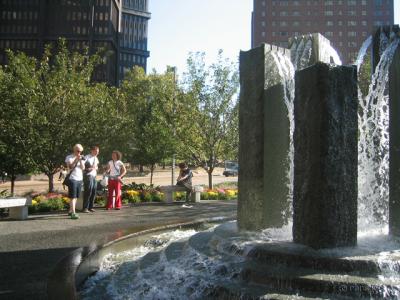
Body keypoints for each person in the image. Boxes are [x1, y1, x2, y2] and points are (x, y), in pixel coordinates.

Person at [65, 144, 85, 219]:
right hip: (72, 178)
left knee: (76, 196)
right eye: (78, 151)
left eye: (81, 151)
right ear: (74, 150)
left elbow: (83, 168)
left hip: (79, 178)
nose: (79, 153)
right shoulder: (69, 157)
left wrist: (81, 160)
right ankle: (73, 212)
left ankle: (70, 210)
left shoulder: (81, 158)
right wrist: (76, 159)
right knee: (72, 196)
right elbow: (69, 167)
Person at [82, 146, 100, 213]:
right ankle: (85, 208)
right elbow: (82, 166)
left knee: (93, 191)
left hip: (94, 176)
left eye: (98, 152)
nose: (97, 153)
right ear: (92, 151)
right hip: (88, 176)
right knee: (88, 191)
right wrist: (88, 169)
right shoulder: (86, 157)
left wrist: (95, 168)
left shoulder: (96, 158)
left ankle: (91, 207)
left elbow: (97, 167)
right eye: (96, 151)